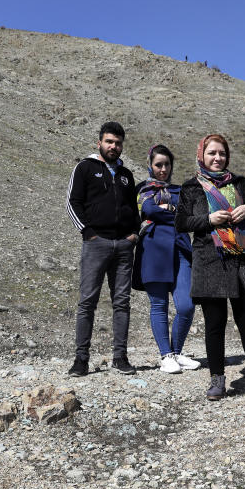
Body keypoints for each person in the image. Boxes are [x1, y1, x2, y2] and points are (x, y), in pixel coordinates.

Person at [175, 134, 245, 400]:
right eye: (212, 153)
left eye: (221, 153)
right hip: (209, 261)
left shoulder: (240, 184)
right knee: (214, 324)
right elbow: (182, 222)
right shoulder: (191, 188)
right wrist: (208, 220)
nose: (217, 158)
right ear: (202, 155)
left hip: (241, 260)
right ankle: (217, 381)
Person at [66, 122, 140, 377]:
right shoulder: (85, 167)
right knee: (87, 302)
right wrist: (87, 232)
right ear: (99, 142)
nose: (114, 146)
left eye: (118, 143)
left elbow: (134, 208)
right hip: (96, 243)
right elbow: (72, 201)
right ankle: (80, 360)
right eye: (109, 141)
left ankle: (120, 357)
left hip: (123, 246)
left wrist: (134, 234)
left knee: (122, 303)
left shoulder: (126, 175)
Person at [132, 144, 198, 373]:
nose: (163, 169)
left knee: (186, 305)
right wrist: (173, 212)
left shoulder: (182, 190)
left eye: (166, 164)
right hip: (153, 249)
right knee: (158, 304)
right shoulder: (142, 189)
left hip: (181, 249)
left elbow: (188, 216)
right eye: (158, 165)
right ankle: (166, 355)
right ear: (150, 165)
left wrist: (168, 209)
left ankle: (177, 352)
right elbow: (148, 210)